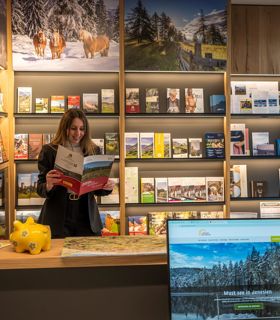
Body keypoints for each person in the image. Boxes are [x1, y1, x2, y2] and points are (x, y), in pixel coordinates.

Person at [37, 109, 114, 238]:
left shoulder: (94, 150)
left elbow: (97, 190)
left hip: (86, 214)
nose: (78, 133)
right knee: (57, 255)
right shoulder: (49, 151)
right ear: (64, 128)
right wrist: (48, 184)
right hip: (58, 214)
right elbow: (40, 188)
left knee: (86, 255)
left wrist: (106, 187)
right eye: (73, 128)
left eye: (82, 129)